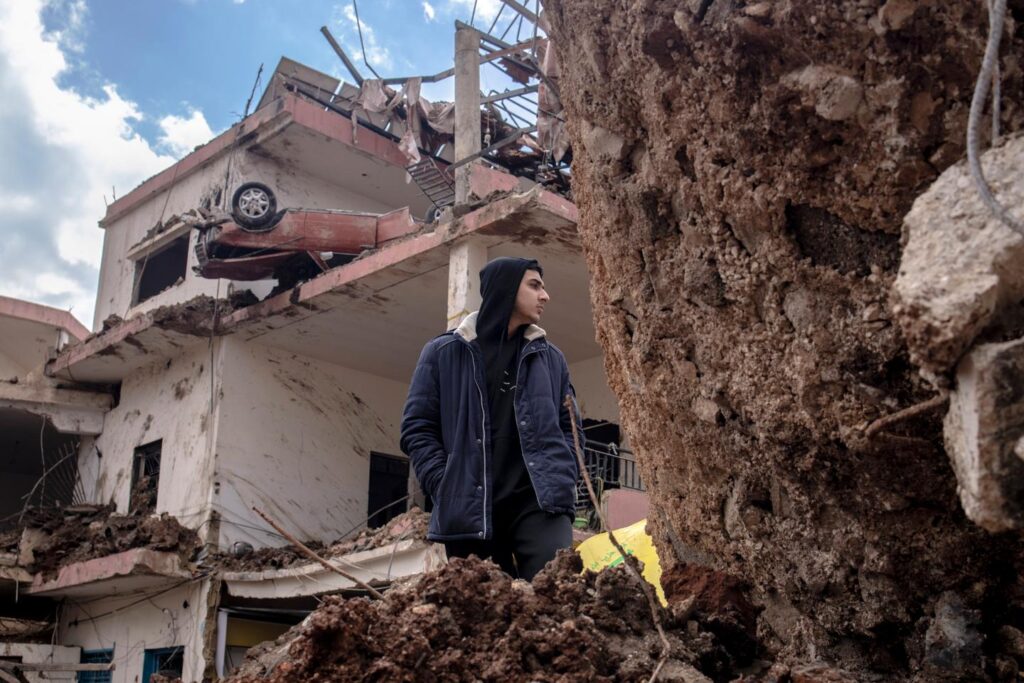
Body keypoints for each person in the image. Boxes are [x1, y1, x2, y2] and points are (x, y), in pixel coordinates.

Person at [400, 256, 582, 580]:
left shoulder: (551, 359)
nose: (545, 296)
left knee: (556, 589)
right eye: (535, 285)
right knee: (484, 603)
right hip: (470, 507)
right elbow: (417, 428)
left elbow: (571, 429)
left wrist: (563, 476)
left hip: (540, 502)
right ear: (506, 288)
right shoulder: (443, 352)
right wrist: (444, 483)